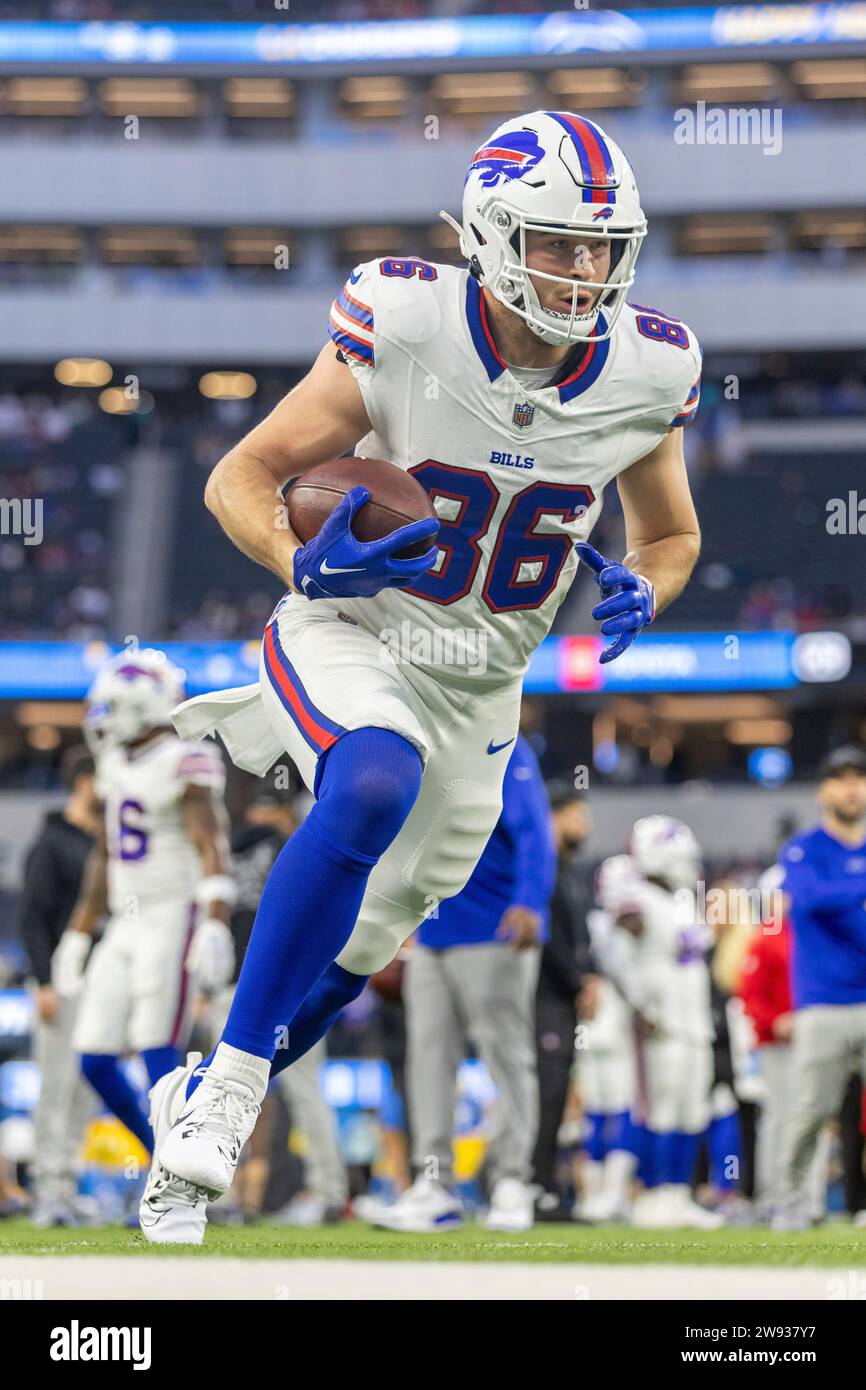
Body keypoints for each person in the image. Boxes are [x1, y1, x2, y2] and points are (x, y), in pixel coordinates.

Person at [146, 109, 702, 1242]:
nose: (584, 267)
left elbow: (669, 534)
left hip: (482, 685)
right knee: (367, 782)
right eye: (558, 241)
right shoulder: (406, 316)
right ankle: (235, 1093)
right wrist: (300, 555)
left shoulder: (649, 368)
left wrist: (649, 584)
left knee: (354, 955)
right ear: (494, 234)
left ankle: (200, 1093)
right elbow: (241, 478)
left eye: (600, 244)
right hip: (356, 631)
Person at [50, 649, 236, 1243]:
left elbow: (213, 847)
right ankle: (168, 1158)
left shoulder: (187, 759)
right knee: (95, 1056)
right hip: (126, 924)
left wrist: (213, 919)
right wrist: (79, 933)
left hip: (173, 914)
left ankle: (180, 1181)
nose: (102, 717)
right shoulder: (113, 764)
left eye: (112, 705)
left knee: (159, 1051)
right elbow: (105, 857)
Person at [370, 734, 554, 1234]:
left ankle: (513, 1180)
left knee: (507, 1055)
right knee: (427, 1058)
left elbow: (536, 831)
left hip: (497, 928)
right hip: (433, 932)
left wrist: (532, 901)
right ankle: (435, 1184)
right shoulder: (421, 752)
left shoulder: (503, 747)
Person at [600, 820, 721, 1229]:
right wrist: (638, 1003)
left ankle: (677, 1193)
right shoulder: (636, 896)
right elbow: (613, 950)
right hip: (660, 1016)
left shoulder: (681, 901)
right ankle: (650, 1195)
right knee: (659, 1107)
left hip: (693, 1018)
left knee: (692, 1109)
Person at [774, 745, 866, 1231]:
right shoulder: (804, 848)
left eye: (859, 777)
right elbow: (807, 898)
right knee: (810, 1110)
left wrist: (846, 894)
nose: (852, 787)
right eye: (841, 778)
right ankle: (789, 1199)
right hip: (822, 1001)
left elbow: (827, 900)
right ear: (824, 790)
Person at [21, 744, 100, 1226]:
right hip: (61, 983)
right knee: (56, 1084)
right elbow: (32, 920)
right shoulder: (51, 844)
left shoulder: (101, 843)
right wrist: (44, 981)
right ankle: (46, 1187)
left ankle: (67, 1182)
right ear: (85, 783)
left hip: (98, 981)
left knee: (86, 1087)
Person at [531, 786, 599, 1220]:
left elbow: (578, 940)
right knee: (544, 1091)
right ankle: (533, 1186)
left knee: (557, 1094)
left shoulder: (570, 872)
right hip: (541, 997)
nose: (585, 825)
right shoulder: (541, 867)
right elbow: (548, 940)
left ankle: (546, 1186)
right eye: (577, 815)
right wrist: (579, 982)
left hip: (563, 998)